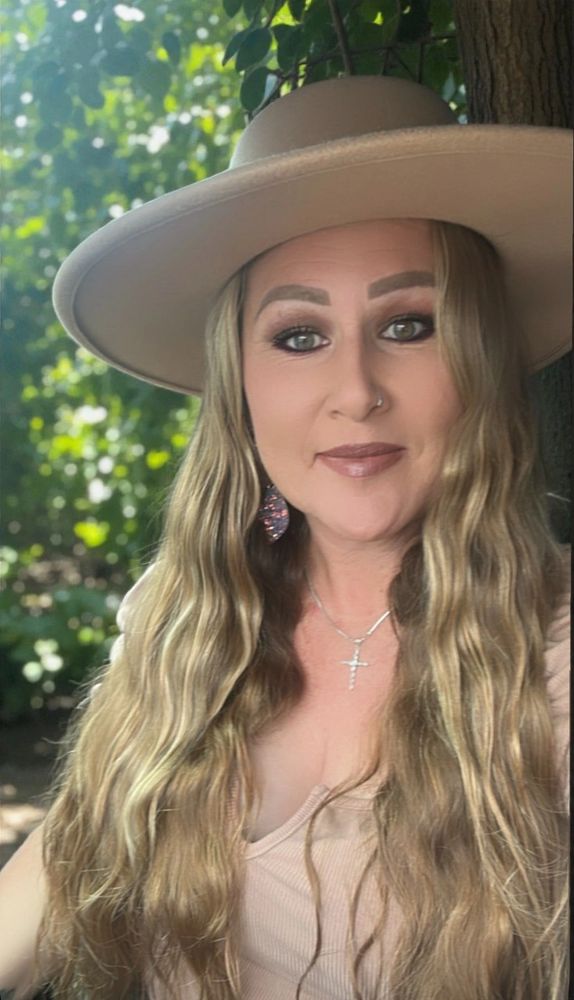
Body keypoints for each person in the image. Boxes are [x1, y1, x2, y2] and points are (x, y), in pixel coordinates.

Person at [0, 75, 570, 1000]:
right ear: (241, 389)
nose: (356, 388)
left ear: (481, 361)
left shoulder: (553, 646)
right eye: (300, 336)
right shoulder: (180, 617)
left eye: (408, 324)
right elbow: (64, 860)